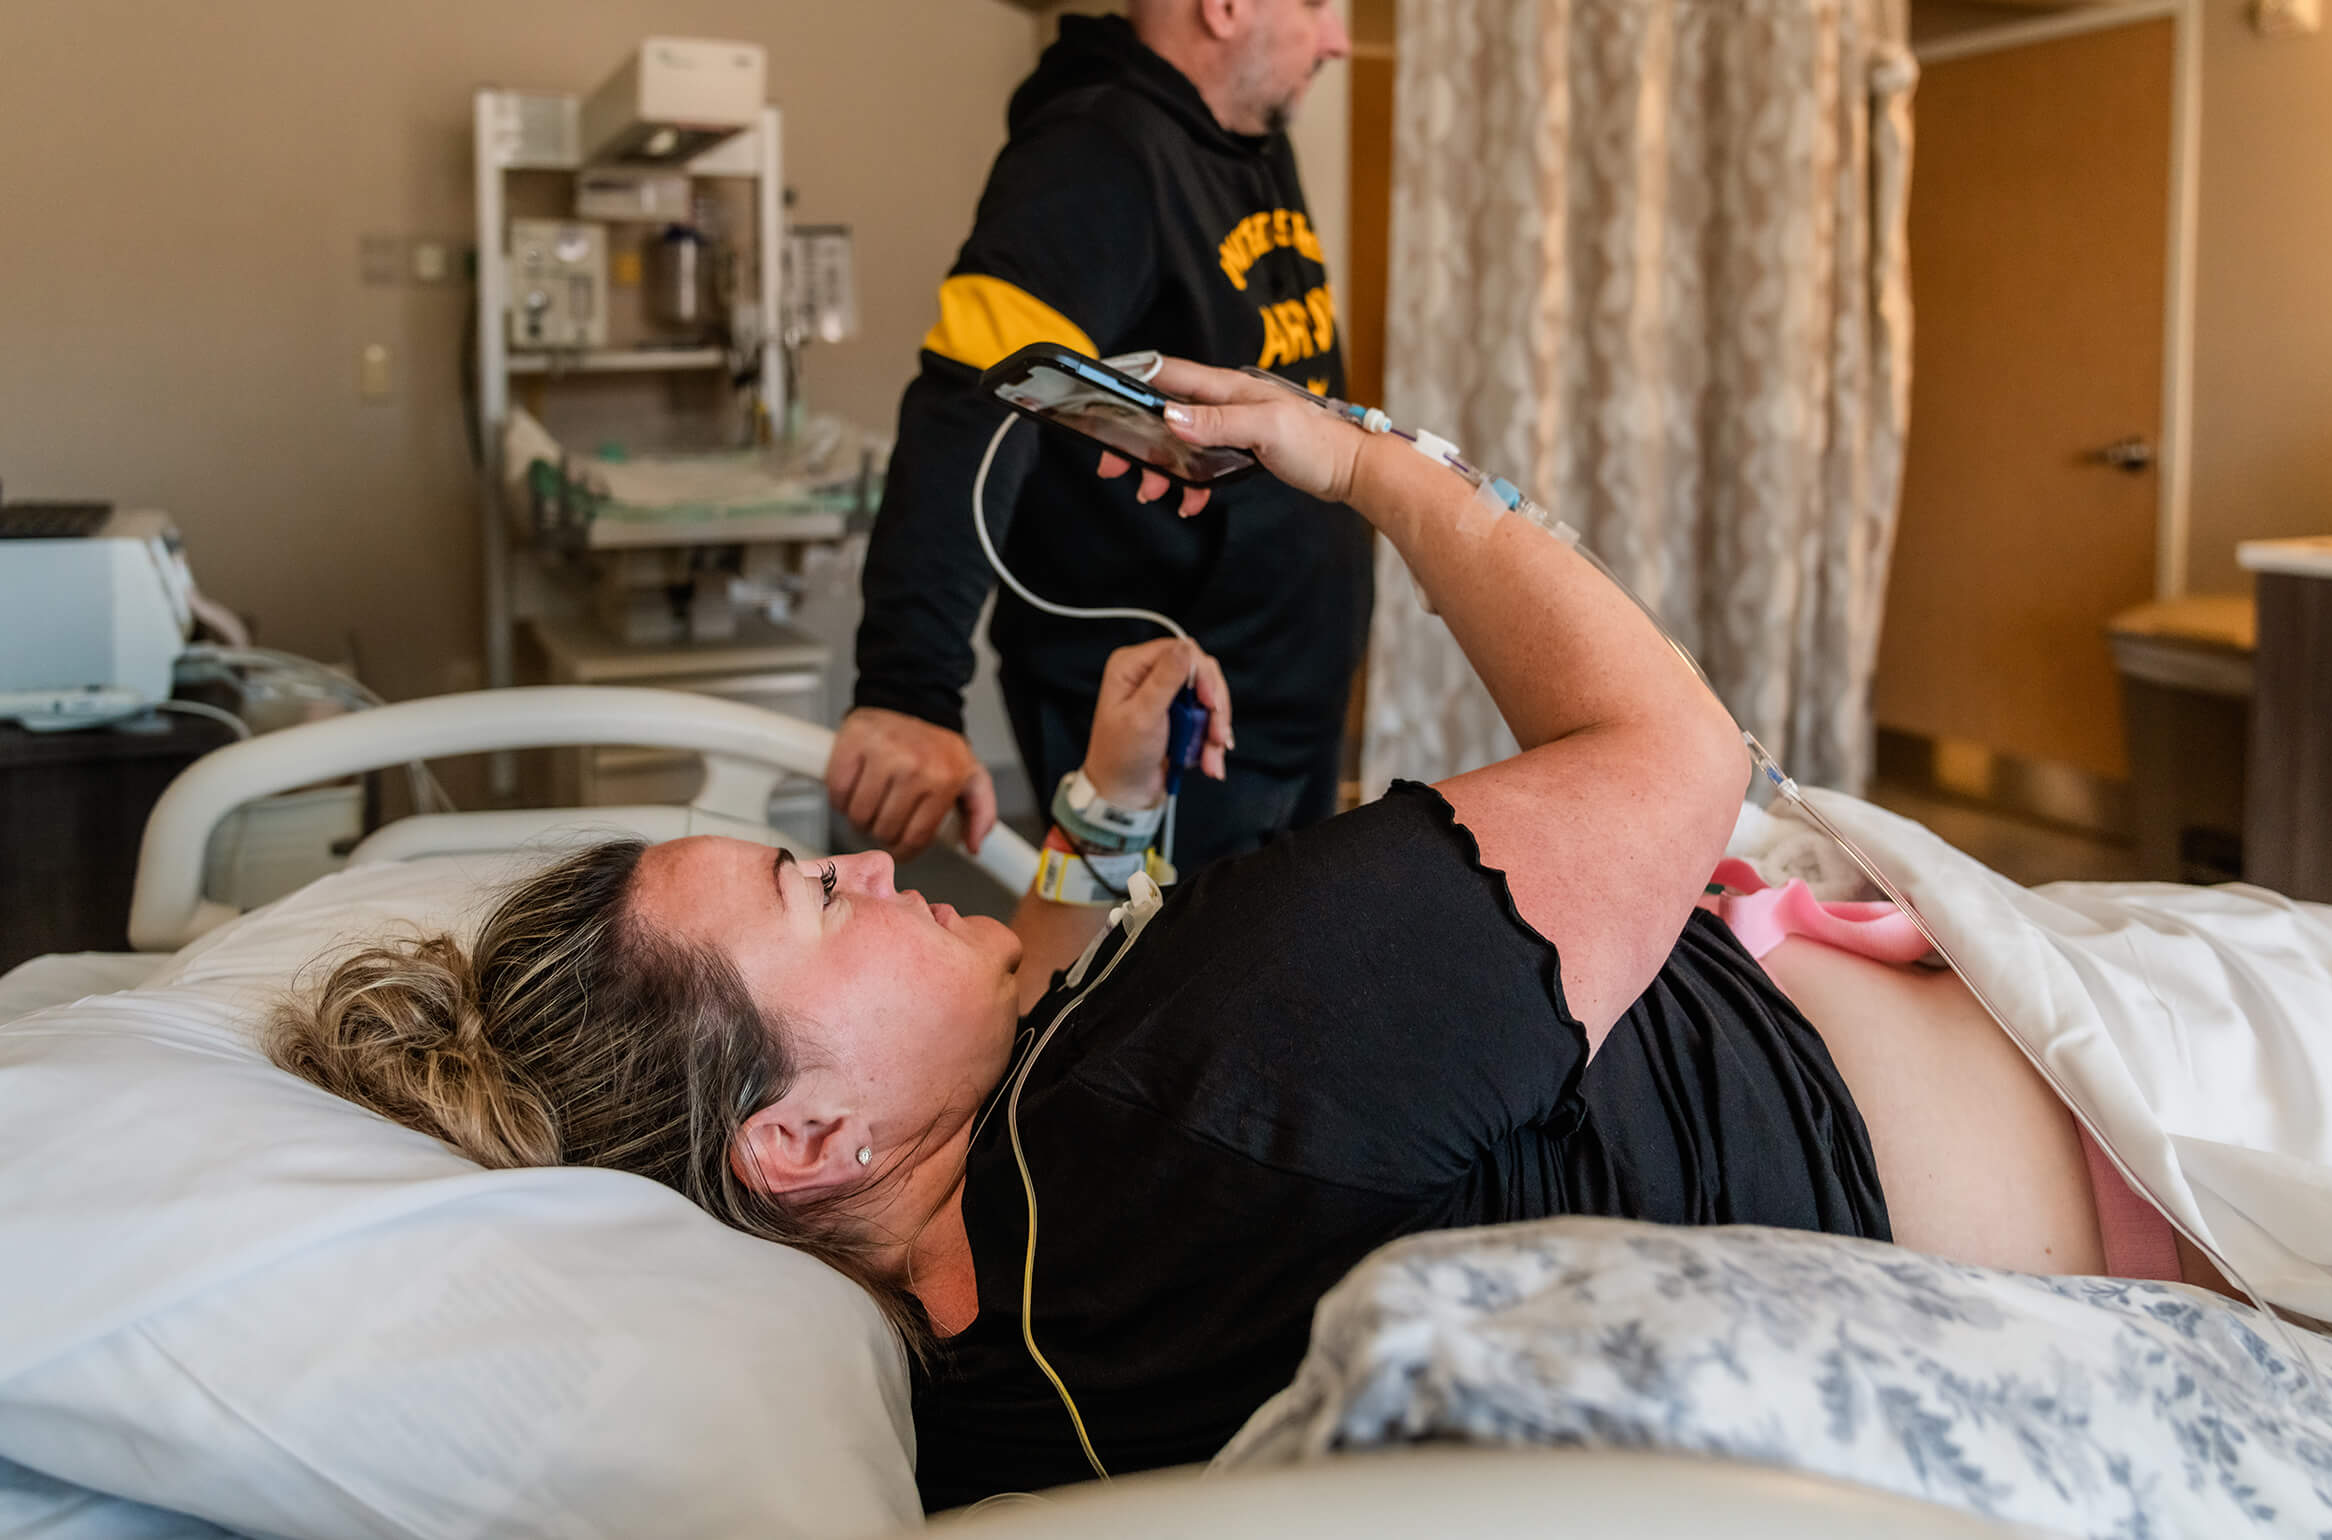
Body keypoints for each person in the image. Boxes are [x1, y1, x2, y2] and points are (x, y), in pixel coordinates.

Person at [272, 362, 2151, 1510]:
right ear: (804, 1141)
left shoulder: (986, 1314)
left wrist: (1101, 806)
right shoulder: (1223, 1067)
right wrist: (1370, 467)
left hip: (1936, 1079)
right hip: (2119, 1137)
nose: (845, 861)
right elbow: (1674, 752)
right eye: (798, 894)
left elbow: (1032, 1016)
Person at [832, 0, 1369, 872]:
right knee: (1173, 1015)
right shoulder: (1094, 155)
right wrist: (910, 691)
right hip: (1167, 717)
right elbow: (971, 405)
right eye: (1320, 3)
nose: (1339, 37)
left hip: (1286, 701)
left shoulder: (1249, 137)